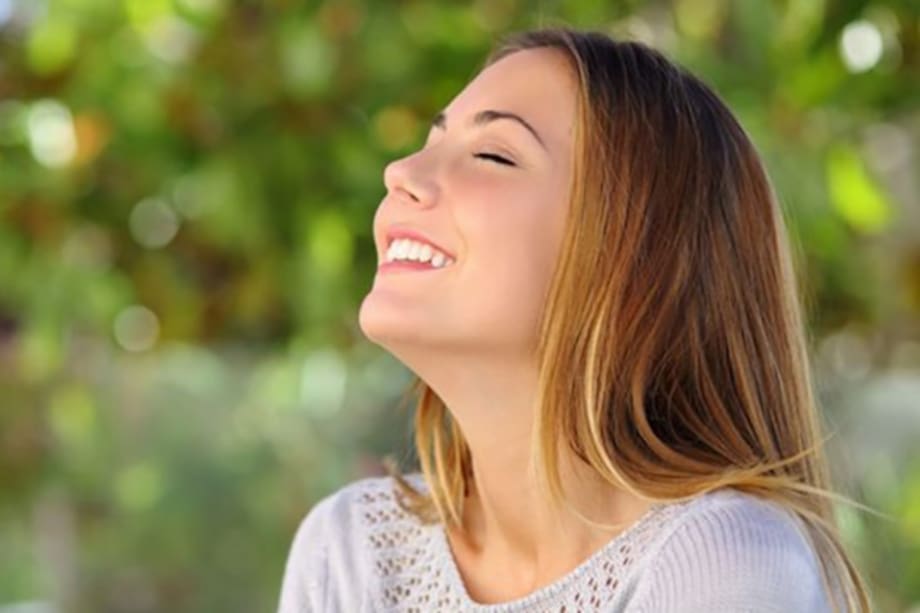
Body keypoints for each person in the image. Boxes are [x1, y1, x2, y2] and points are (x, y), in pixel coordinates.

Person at [278, 27, 872, 612]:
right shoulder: (351, 548)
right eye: (432, 142)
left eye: (492, 154)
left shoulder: (725, 561)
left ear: (635, 260)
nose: (400, 172)